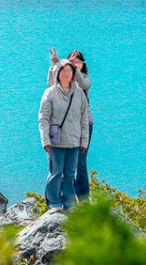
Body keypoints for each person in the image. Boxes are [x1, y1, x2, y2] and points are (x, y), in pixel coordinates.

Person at [39, 59, 89, 211]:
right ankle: (53, 202)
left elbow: (84, 118)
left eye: (69, 70)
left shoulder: (79, 93)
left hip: (74, 141)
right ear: (57, 73)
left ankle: (69, 202)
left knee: (69, 173)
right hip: (56, 141)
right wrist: (45, 140)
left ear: (73, 74)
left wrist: (84, 141)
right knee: (56, 172)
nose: (66, 73)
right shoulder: (50, 93)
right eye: (63, 71)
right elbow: (43, 118)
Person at [48, 49, 93, 199]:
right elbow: (50, 85)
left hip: (84, 123)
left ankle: (83, 197)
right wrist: (55, 65)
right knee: (65, 164)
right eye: (73, 61)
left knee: (81, 162)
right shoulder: (63, 79)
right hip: (65, 125)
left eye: (79, 62)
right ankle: (67, 195)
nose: (77, 64)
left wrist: (74, 70)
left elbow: (83, 84)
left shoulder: (84, 78)